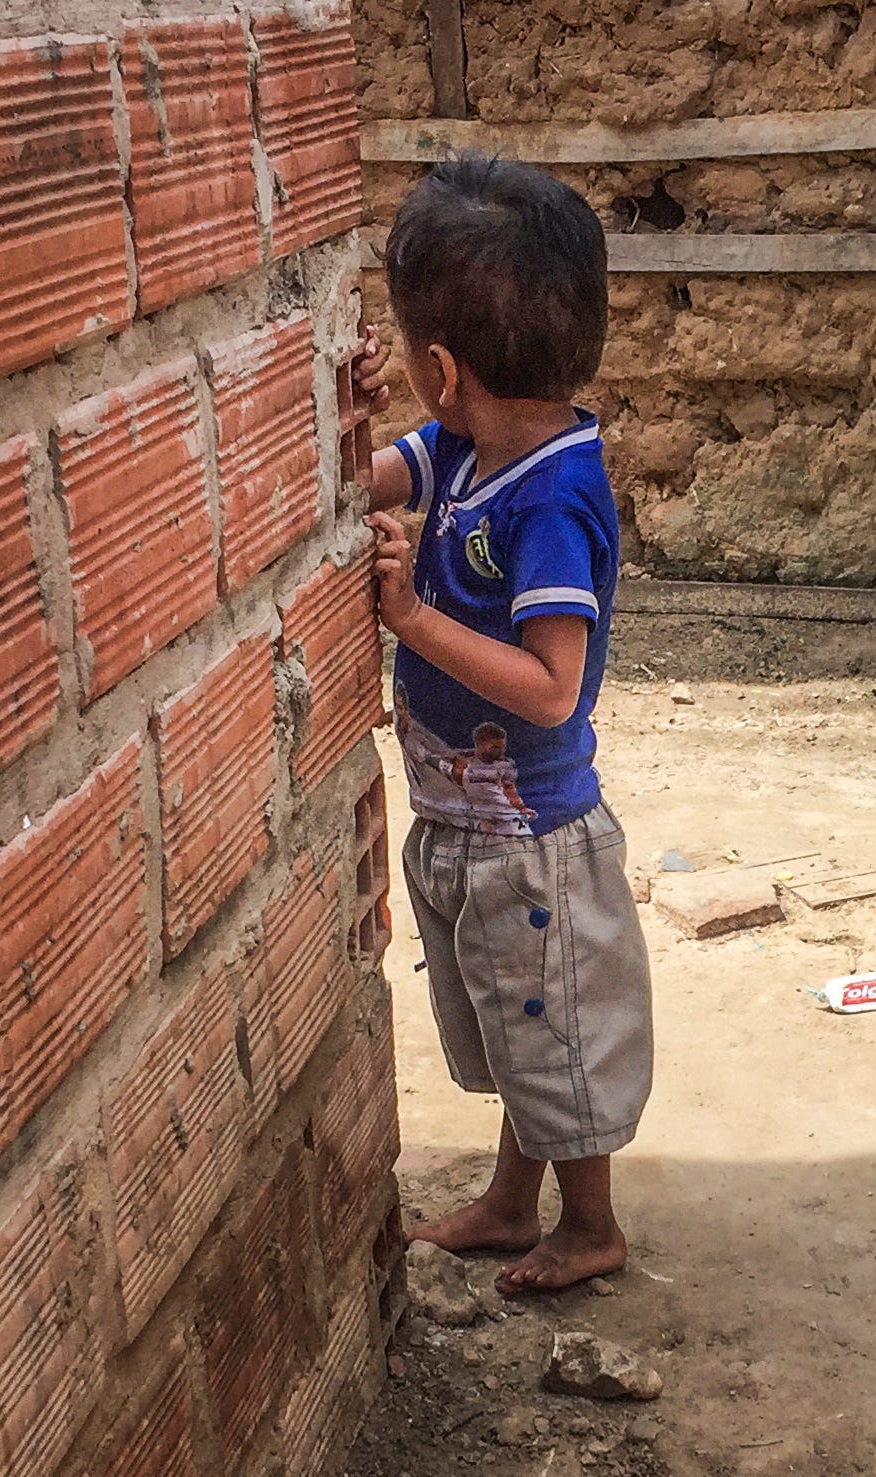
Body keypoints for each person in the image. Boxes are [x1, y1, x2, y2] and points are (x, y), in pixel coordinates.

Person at [358, 154, 652, 1294]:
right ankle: (507, 1201)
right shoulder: (469, 443)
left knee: (557, 1036)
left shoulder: (550, 498)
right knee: (520, 1028)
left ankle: (588, 1226)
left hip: (534, 840)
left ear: (438, 368)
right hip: (473, 828)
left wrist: (409, 617)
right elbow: (384, 469)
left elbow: (549, 688)